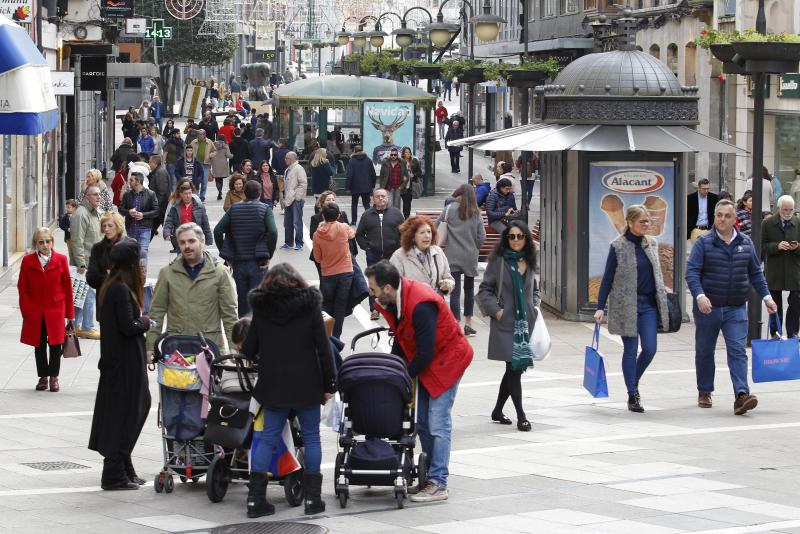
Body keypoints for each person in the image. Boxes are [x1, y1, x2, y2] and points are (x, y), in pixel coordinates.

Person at [366, 260, 472, 502]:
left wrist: (401, 376)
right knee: (422, 422)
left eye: (373, 288)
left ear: (388, 288)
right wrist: (389, 368)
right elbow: (403, 340)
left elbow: (424, 352)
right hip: (430, 361)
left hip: (448, 360)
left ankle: (439, 483)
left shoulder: (421, 304)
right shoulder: (396, 302)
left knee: (437, 421)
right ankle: (429, 479)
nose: (371, 293)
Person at [242, 263, 335, 517]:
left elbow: (248, 348)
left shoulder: (262, 310)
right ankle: (312, 500)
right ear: (297, 282)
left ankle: (255, 501)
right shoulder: (310, 306)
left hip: (274, 384)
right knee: (312, 436)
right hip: (307, 383)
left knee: (267, 438)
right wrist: (330, 384)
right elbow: (324, 349)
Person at [685, 199, 778, 415]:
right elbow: (692, 272)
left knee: (737, 351)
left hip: (736, 307)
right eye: (719, 215)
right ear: (714, 217)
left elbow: (755, 273)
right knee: (705, 351)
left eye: (727, 216)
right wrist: (699, 296)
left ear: (734, 218)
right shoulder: (704, 243)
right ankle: (705, 390)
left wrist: (767, 297)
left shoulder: (745, 243)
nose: (722, 219)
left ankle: (741, 395)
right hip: (709, 308)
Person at [593, 206, 670, 413]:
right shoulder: (618, 246)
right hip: (626, 305)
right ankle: (632, 394)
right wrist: (600, 307)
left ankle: (632, 380)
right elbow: (607, 278)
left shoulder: (651, 243)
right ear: (630, 222)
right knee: (630, 349)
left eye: (648, 221)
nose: (647, 224)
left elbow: (657, 275)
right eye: (642, 221)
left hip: (648, 305)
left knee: (650, 348)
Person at [89, 240, 152, 491]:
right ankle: (114, 471)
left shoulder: (112, 286)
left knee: (128, 411)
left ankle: (123, 466)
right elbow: (128, 327)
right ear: (132, 263)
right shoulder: (119, 289)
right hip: (124, 365)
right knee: (128, 412)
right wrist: (147, 323)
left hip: (119, 363)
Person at [476, 221, 540, 430]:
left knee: (513, 370)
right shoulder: (499, 261)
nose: (515, 241)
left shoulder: (529, 260)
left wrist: (535, 305)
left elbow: (534, 288)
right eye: (511, 237)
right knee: (514, 367)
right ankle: (521, 416)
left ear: (526, 239)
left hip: (525, 322)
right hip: (505, 322)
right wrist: (496, 310)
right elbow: (484, 290)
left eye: (519, 236)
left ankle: (497, 410)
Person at [148, 222, 238, 354]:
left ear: (202, 242)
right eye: (182, 242)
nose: (187, 246)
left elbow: (230, 313)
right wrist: (150, 346)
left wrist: (234, 347)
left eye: (191, 241)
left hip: (209, 346)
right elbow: (156, 312)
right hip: (177, 349)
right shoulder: (167, 273)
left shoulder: (220, 272)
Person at [18, 227, 73, 393]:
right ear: (35, 244)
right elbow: (22, 288)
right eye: (41, 242)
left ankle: (54, 377)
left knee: (56, 344)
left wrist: (70, 314)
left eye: (48, 241)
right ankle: (43, 377)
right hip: (36, 310)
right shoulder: (28, 261)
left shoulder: (61, 259)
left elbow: (67, 287)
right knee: (39, 344)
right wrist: (27, 310)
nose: (45, 245)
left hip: (56, 308)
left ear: (52, 243)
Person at [214, 180, 278, 316]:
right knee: (258, 300)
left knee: (242, 301)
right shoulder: (265, 209)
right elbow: (273, 231)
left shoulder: (234, 208)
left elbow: (218, 230)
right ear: (259, 194)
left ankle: (243, 331)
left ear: (245, 192)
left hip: (238, 260)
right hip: (258, 261)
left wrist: (226, 254)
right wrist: (269, 253)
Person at [438, 184, 486, 336]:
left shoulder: (449, 209)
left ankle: (455, 323)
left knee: (454, 291)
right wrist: (474, 247)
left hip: (452, 254)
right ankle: (468, 323)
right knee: (469, 290)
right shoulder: (476, 212)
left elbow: (437, 227)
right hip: (470, 255)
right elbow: (481, 236)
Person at [356, 189, 405, 320]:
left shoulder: (396, 214)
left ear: (387, 198)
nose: (381, 199)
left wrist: (400, 248)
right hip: (374, 255)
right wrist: (366, 247)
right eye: (378, 196)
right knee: (374, 282)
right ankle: (374, 309)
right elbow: (359, 234)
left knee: (393, 281)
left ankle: (393, 308)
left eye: (383, 196)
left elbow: (404, 233)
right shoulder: (367, 215)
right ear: (373, 199)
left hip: (393, 255)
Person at [313, 202, 355, 339]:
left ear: (323, 215)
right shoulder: (343, 227)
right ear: (338, 216)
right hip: (346, 273)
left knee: (326, 305)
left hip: (328, 274)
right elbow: (352, 235)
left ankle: (326, 335)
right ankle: (336, 337)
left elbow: (317, 258)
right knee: (340, 307)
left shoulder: (317, 234)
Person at [762, 195, 800, 339]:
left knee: (796, 299)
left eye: (791, 210)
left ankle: (793, 332)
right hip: (775, 269)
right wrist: (776, 246)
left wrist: (796, 247)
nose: (788, 212)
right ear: (779, 208)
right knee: (774, 302)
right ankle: (776, 332)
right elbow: (762, 246)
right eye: (785, 210)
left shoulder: (797, 222)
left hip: (794, 268)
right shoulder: (768, 223)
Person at [390, 215, 454, 296]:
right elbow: (393, 287)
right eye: (422, 232)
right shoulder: (399, 256)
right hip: (413, 306)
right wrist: (417, 289)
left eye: (429, 232)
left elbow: (449, 278)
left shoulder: (438, 252)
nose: (427, 236)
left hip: (436, 305)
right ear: (412, 236)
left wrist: (448, 284)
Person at [71, 185, 103, 340]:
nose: (99, 197)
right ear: (86, 197)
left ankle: (76, 325)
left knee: (81, 295)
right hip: (85, 264)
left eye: (99, 194)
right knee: (88, 294)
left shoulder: (94, 212)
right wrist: (81, 263)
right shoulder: (81, 214)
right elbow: (77, 240)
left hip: (94, 262)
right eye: (95, 194)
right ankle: (87, 327)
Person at [87, 212, 136, 299]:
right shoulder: (97, 249)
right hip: (105, 299)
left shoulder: (130, 245)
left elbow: (139, 275)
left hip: (127, 298)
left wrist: (110, 275)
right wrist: (114, 277)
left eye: (110, 226)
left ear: (118, 226)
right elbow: (91, 278)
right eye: (104, 226)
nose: (106, 229)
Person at [120, 172, 159, 271]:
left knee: (143, 252)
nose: (129, 182)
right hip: (131, 229)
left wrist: (143, 215)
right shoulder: (127, 195)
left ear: (138, 181)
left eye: (131, 180)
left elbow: (156, 211)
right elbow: (121, 209)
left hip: (144, 228)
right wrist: (129, 212)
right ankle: (132, 274)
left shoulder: (150, 194)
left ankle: (142, 275)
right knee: (131, 254)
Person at [163, 181, 214, 252]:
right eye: (185, 194)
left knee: (194, 260)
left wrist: (209, 239)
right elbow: (169, 221)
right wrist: (167, 233)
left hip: (195, 238)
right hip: (181, 239)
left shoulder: (199, 207)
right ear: (181, 194)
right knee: (182, 260)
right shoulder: (175, 207)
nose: (188, 196)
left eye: (190, 193)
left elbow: (205, 224)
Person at [280, 151, 307, 251]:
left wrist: (297, 197)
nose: (285, 159)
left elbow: (303, 184)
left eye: (286, 158)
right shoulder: (288, 169)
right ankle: (288, 242)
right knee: (288, 222)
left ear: (291, 159)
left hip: (296, 200)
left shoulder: (298, 168)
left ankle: (299, 243)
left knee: (297, 222)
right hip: (288, 199)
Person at [346, 145, 377, 224]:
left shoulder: (352, 161)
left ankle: (353, 221)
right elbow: (373, 174)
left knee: (354, 204)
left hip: (355, 186)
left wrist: (347, 187)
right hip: (366, 186)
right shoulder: (368, 160)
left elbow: (349, 175)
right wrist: (373, 185)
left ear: (354, 151)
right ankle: (370, 220)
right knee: (366, 204)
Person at [687, 178, 719, 244]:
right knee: (698, 250)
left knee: (708, 251)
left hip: (709, 229)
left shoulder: (714, 198)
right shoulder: (690, 198)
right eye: (704, 189)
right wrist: (692, 228)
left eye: (708, 188)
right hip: (695, 229)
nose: (706, 191)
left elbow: (716, 214)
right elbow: (687, 214)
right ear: (698, 188)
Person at [147, 156, 170, 237]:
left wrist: (156, 204)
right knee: (153, 226)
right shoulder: (157, 172)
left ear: (155, 163)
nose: (149, 164)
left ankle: (177, 245)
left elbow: (162, 191)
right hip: (160, 205)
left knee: (166, 227)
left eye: (150, 162)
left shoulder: (160, 172)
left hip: (161, 205)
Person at [191, 129, 216, 202]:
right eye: (199, 134)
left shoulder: (209, 142)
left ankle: (202, 196)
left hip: (206, 164)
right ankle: (196, 195)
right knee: (197, 180)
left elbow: (215, 150)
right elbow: (188, 149)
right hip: (196, 164)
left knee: (204, 181)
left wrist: (210, 155)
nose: (201, 136)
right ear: (197, 135)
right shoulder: (194, 142)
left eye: (202, 134)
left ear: (205, 135)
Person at [400, 147, 422, 219]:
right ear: (403, 153)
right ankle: (403, 217)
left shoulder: (414, 161)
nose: (408, 154)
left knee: (407, 203)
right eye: (406, 152)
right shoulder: (400, 161)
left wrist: (414, 175)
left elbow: (420, 172)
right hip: (402, 185)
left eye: (409, 152)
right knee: (403, 202)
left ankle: (406, 218)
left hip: (411, 186)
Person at [59, 199, 78, 265]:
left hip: (77, 239)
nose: (67, 209)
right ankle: (72, 266)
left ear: (74, 208)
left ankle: (78, 265)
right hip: (69, 238)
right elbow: (61, 225)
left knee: (77, 253)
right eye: (66, 207)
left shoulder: (77, 216)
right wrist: (67, 229)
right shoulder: (65, 217)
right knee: (71, 253)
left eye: (69, 207)